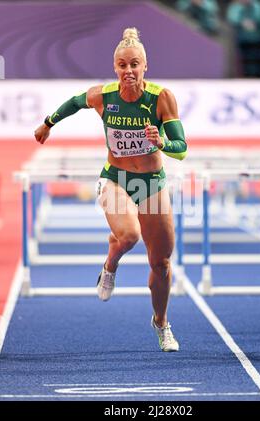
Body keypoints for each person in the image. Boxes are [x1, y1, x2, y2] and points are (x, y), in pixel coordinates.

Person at [34, 27, 187, 352]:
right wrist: (48, 124)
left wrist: (161, 141)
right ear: (114, 67)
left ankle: (161, 322)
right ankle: (110, 265)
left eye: (134, 64)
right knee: (129, 236)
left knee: (161, 264)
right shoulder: (103, 96)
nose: (128, 71)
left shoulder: (161, 98)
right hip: (115, 178)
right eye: (122, 65)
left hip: (151, 183)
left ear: (145, 66)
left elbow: (182, 148)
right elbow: (74, 102)